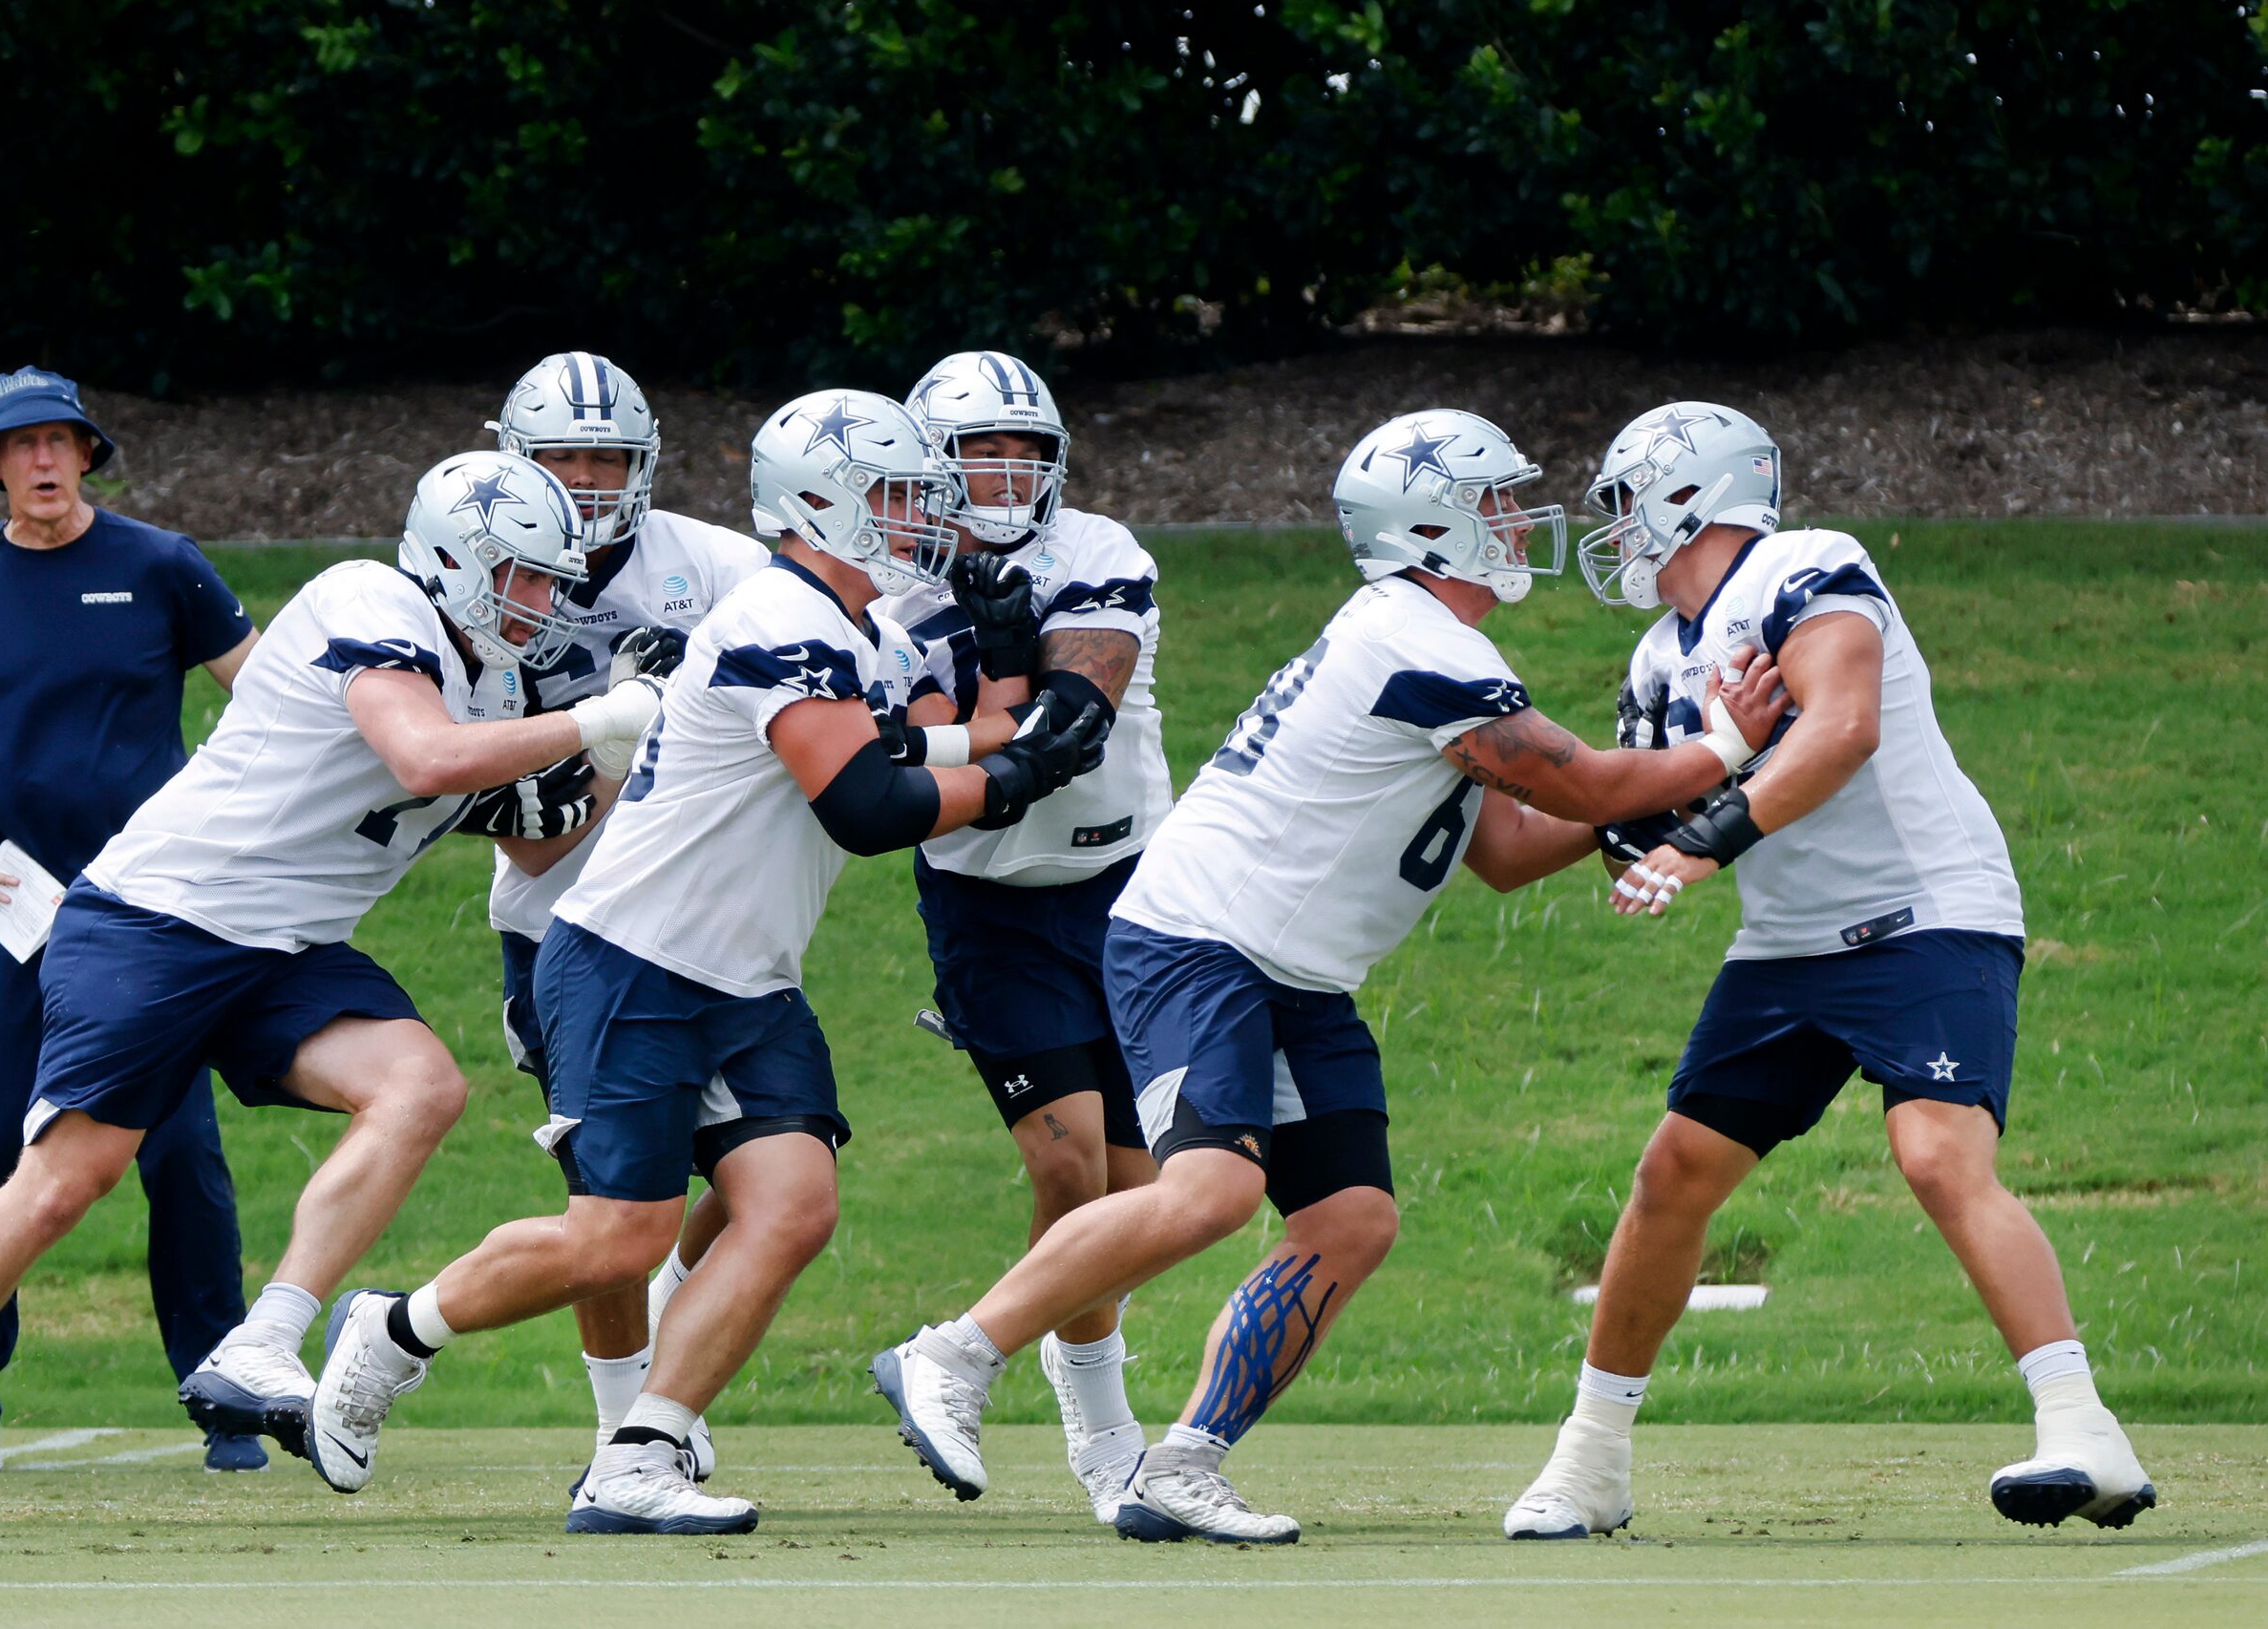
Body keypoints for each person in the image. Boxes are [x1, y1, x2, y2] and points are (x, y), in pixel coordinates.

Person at [870, 410, 1786, 1543]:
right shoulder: (1420, 641)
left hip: (1290, 971)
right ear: (1433, 528)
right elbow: (1587, 784)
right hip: (1201, 941)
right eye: (1495, 503)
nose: (1517, 522)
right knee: (1208, 1192)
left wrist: (1667, 798)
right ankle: (951, 1357)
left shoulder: (1439, 646)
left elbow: (1505, 849)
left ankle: (1185, 1463)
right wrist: (1724, 752)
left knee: (1349, 1219)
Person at [0, 450, 677, 1527]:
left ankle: (263, 1341)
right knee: (64, 1183)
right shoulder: (372, 599)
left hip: (276, 947)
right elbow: (427, 759)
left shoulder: (490, 684)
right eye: (522, 577)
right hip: (159, 921)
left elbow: (537, 842)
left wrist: (639, 746)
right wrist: (599, 719)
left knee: (420, 1086)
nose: (542, 603)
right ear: (455, 558)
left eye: (549, 579)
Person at [298, 390, 1112, 1534]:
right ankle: (394, 1329)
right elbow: (869, 804)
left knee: (791, 1204)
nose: (921, 514)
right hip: (636, 959)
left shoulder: (859, 630)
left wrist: (1019, 685)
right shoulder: (783, 617)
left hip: (746, 974)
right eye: (892, 492)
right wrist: (1022, 776)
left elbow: (939, 739)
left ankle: (643, 1451)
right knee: (617, 1238)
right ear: (821, 505)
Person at [1502, 402, 2156, 1540]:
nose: (1613, 532)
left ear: (1687, 496)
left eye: (1622, 504)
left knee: (1937, 1154)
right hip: (1790, 941)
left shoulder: (1805, 567)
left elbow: (1845, 726)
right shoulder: (1660, 654)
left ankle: (2083, 1431)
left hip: (1926, 912)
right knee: (1673, 1177)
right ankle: (1591, 1459)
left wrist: (1704, 838)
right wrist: (1698, 789)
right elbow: (1638, 820)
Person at [0, 367, 263, 1474]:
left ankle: (223, 1403)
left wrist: (226, 836)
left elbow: (266, 698)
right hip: (9, 913)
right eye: (21, 445)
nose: (43, 462)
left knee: (180, 1154)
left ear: (88, 454)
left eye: (61, 441)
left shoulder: (160, 567)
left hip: (149, 915)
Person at [871, 349, 1174, 1520]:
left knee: (1145, 1191)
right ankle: (1080, 1418)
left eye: (1024, 451)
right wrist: (991, 667)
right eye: (977, 452)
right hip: (990, 898)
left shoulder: (1099, 551)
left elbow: (1073, 727)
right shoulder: (888, 588)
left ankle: (1069, 1366)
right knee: (1067, 1166)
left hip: (1135, 892)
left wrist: (1013, 677)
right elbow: (922, 751)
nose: (1003, 473)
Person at [472, 351, 766, 1484]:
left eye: (609, 460)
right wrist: (622, 720)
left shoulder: (722, 568)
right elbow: (527, 833)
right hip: (566, 924)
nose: (590, 486)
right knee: (605, 1205)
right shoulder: (483, 591)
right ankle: (622, 1431)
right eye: (565, 461)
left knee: (768, 1187)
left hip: (717, 925)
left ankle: (663, 1360)